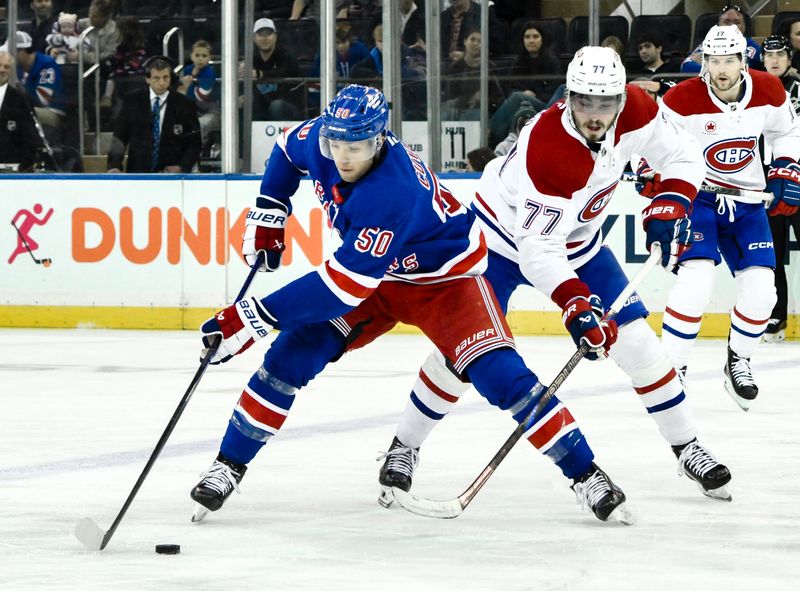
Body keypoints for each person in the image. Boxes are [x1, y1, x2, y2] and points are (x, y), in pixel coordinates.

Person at [189, 84, 634, 526]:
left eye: (358, 146)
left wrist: (250, 316)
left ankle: (586, 473)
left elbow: (342, 286)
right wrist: (270, 208)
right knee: (290, 357)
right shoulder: (325, 140)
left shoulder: (392, 192)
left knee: (504, 378)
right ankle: (228, 465)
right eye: (336, 144)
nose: (343, 157)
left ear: (380, 139)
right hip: (378, 275)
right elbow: (286, 150)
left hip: (445, 280)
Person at [378, 47, 733, 508]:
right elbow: (539, 253)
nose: (595, 114)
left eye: (605, 103)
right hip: (497, 244)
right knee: (460, 352)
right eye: (584, 101)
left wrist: (673, 201)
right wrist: (577, 306)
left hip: (577, 240)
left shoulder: (639, 109)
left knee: (640, 345)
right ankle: (405, 445)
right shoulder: (549, 147)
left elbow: (684, 156)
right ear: (569, 96)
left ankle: (689, 446)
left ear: (621, 100)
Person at [660, 25, 800, 410]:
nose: (720, 69)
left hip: (748, 202)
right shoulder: (681, 97)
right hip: (698, 200)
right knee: (695, 283)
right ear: (704, 62)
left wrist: (787, 166)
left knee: (762, 293)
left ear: (743, 60)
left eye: (728, 61)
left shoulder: (769, 90)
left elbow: (788, 131)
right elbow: (655, 141)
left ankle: (738, 359)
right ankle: (672, 369)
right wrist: (652, 171)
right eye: (713, 61)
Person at [759, 35, 800, 342]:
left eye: (779, 54)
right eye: (768, 54)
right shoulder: (754, 92)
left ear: (789, 57)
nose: (774, 60)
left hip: (798, 181)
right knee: (772, 256)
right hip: (766, 185)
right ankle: (777, 315)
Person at [107, 56, 201, 173]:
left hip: (171, 176)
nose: (161, 82)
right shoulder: (132, 101)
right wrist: (114, 165)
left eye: (165, 77)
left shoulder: (185, 104)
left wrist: (182, 166)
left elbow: (194, 143)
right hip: (138, 173)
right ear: (148, 79)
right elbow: (119, 138)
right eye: (156, 78)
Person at [488, 22, 561, 145]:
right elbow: (508, 88)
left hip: (544, 107)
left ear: (543, 39)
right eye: (527, 37)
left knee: (517, 97)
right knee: (517, 97)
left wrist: (532, 95)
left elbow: (555, 93)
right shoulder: (518, 61)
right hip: (522, 103)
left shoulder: (552, 62)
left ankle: (490, 132)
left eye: (535, 36)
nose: (531, 40)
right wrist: (524, 94)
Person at [15, 31, 65, 144]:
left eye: (12, 51)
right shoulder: (18, 66)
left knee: (15, 114)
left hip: (52, 112)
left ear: (21, 51)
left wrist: (19, 87)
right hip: (28, 109)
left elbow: (42, 100)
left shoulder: (47, 64)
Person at [681, 5, 761, 73]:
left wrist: (707, 66)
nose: (732, 26)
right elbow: (685, 67)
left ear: (743, 27)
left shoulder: (751, 47)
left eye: (736, 22)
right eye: (726, 22)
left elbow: (766, 68)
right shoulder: (709, 43)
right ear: (719, 25)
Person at [0, 50, 45, 171]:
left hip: (11, 166)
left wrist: (23, 167)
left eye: (6, 67)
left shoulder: (20, 99)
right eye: (0, 65)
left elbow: (30, 137)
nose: (2, 70)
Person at [249, 18, 301, 121]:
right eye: (261, 34)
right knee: (247, 103)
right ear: (254, 38)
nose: (265, 38)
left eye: (268, 34)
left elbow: (285, 70)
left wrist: (260, 74)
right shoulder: (250, 59)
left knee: (276, 105)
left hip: (288, 106)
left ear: (275, 37)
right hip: (261, 106)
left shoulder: (286, 56)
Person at [178, 39, 218, 145]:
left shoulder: (210, 72)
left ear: (209, 58)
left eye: (204, 56)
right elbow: (180, 93)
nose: (200, 59)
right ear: (191, 56)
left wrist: (187, 87)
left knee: (199, 125)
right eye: (197, 55)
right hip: (193, 110)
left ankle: (196, 152)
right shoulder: (186, 70)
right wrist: (186, 88)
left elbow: (201, 95)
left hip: (210, 111)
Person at [77, 0, 120, 65]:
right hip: (78, 62)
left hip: (101, 65)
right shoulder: (81, 24)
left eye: (95, 16)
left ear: (104, 17)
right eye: (90, 13)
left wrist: (81, 57)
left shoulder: (114, 31)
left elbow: (107, 55)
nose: (90, 18)